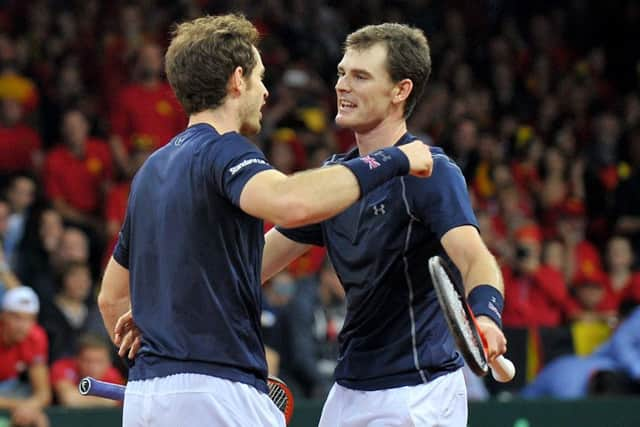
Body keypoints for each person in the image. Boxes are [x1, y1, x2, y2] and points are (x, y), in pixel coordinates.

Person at [99, 14, 433, 427]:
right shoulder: (226, 151)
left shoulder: (151, 171)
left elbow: (111, 298)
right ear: (237, 80)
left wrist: (165, 323)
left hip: (148, 397)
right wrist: (394, 158)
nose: (266, 91)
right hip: (216, 387)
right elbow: (290, 203)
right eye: (259, 78)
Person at [261, 23, 507, 426]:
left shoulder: (432, 173)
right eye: (342, 72)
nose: (342, 85)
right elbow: (253, 264)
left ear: (400, 90)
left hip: (418, 394)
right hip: (349, 389)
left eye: (360, 76)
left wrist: (486, 316)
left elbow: (475, 259)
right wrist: (173, 311)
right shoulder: (336, 179)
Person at [0, 286, 51, 427]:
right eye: (17, 318)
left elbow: (43, 393)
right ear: (3, 316)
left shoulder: (36, 337)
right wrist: (21, 406)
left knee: (39, 420)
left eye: (30, 319)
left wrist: (28, 408)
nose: (23, 326)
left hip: (11, 391)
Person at [50, 334, 124, 407]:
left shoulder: (113, 374)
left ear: (109, 362)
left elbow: (115, 402)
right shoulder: (62, 367)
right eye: (88, 361)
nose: (93, 367)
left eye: (99, 361)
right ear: (77, 359)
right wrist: (104, 401)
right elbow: (70, 399)